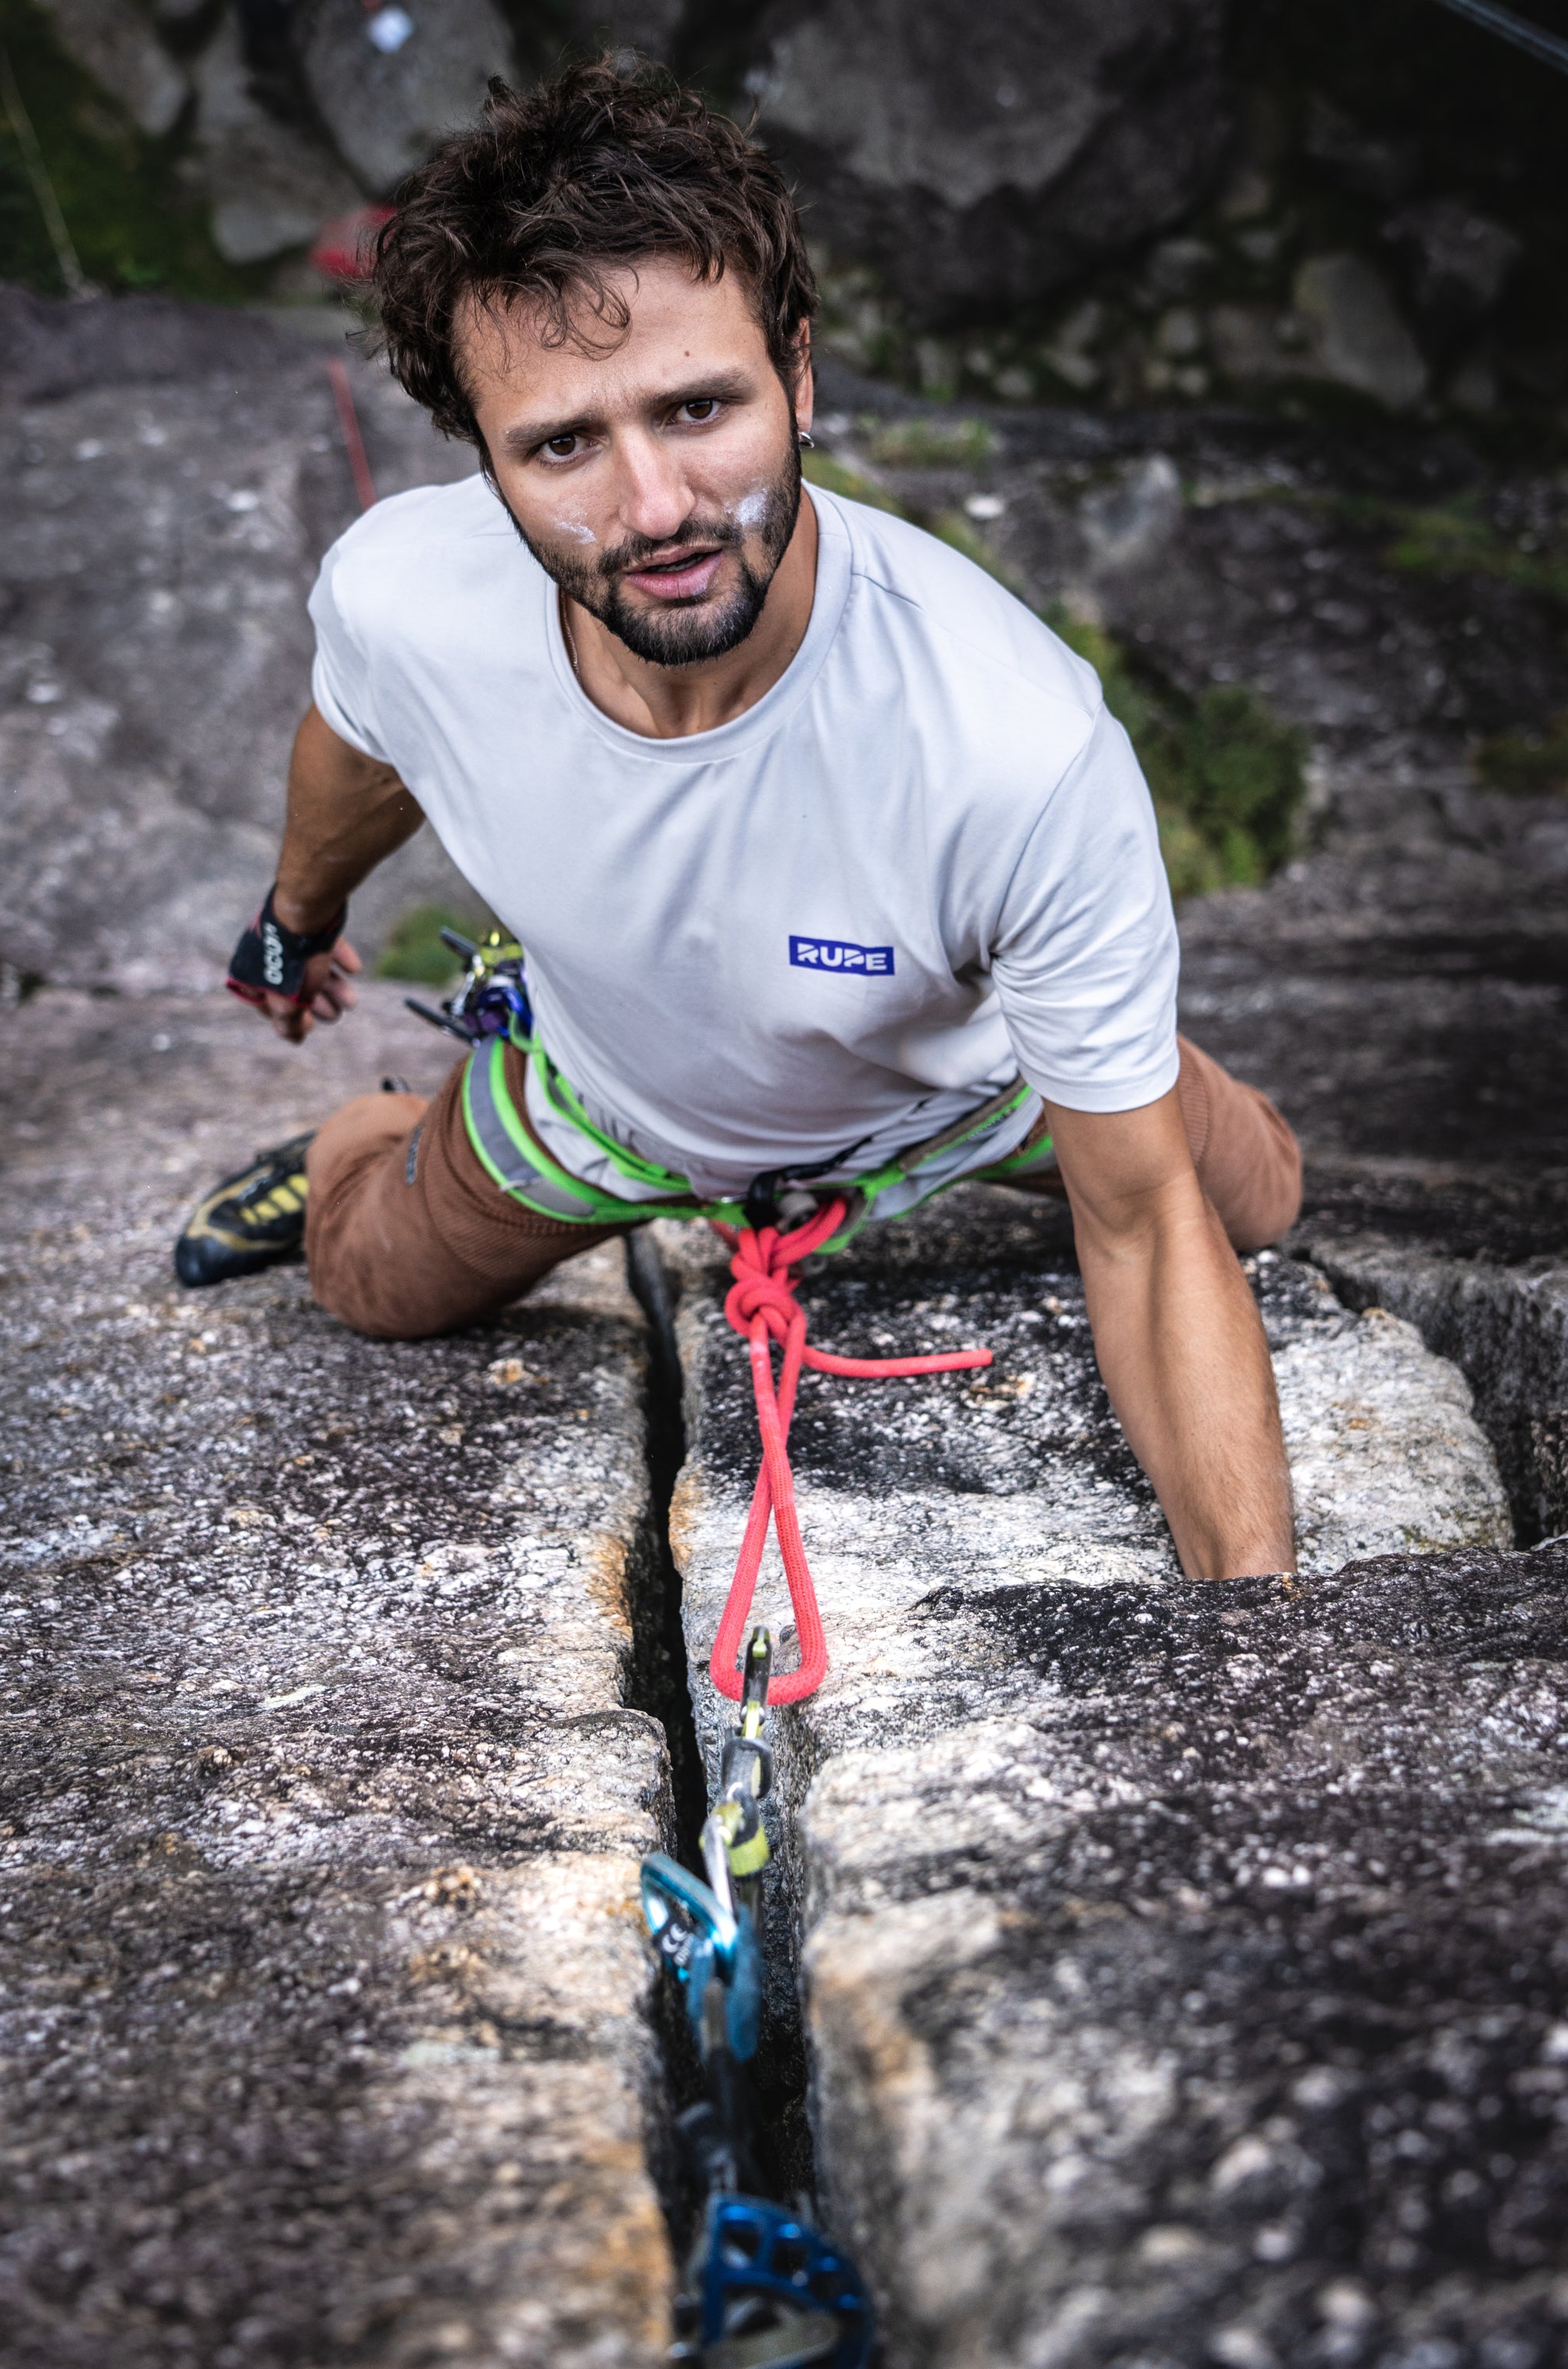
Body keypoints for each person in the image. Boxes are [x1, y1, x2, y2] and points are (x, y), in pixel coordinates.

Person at [177, 56, 1302, 1583]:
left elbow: (1148, 1235)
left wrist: (1257, 1650)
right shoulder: (408, 598)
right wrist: (295, 919)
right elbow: (358, 745)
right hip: (613, 1093)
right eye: (563, 443)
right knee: (368, 1279)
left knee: (1253, 1201)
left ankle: (1090, 1021)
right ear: (482, 457)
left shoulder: (1005, 743)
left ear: (800, 377)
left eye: (699, 407)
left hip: (964, 1084)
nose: (654, 507)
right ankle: (357, 1142)